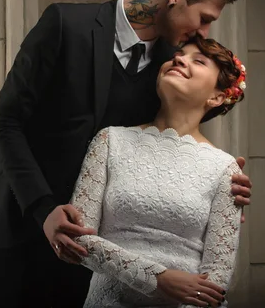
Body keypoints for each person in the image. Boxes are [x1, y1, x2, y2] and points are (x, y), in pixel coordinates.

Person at [0, 0, 253, 308]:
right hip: (26, 224)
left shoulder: (170, 65)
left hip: (107, 251)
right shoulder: (66, 24)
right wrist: (44, 209)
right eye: (205, 18)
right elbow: (3, 122)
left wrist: (221, 186)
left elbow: (162, 142)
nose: (204, 33)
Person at [70, 37, 245, 308]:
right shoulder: (109, 141)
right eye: (179, 55)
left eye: (197, 61)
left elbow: (217, 276)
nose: (179, 60)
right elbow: (78, 238)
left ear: (217, 97)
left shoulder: (226, 168)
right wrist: (156, 278)